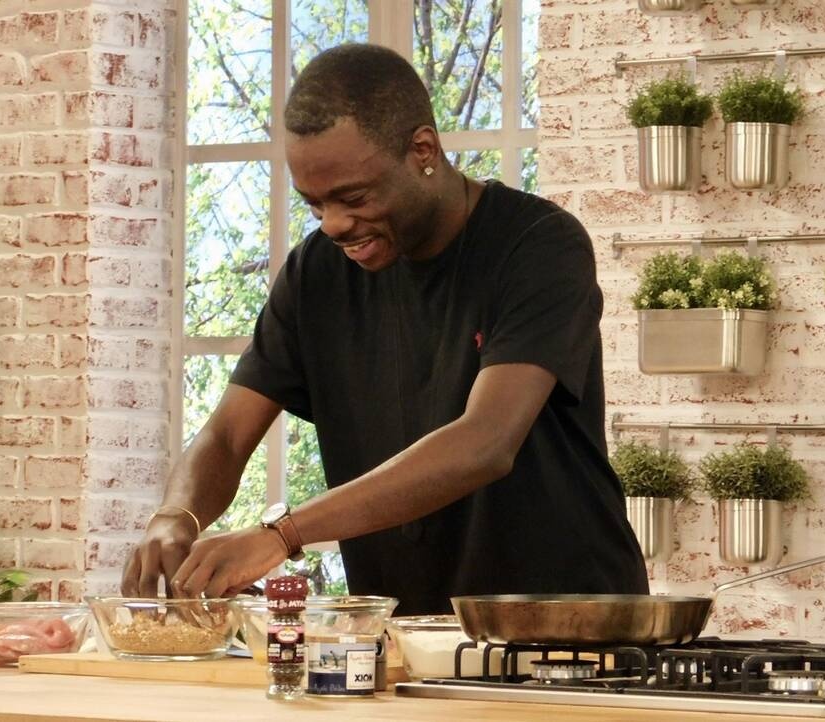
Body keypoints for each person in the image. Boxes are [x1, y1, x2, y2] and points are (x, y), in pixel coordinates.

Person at [121, 43, 649, 615]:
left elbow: (486, 442)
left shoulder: (538, 245)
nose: (334, 224)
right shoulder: (315, 274)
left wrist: (283, 533)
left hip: (564, 621)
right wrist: (176, 515)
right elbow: (227, 435)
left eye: (353, 198)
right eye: (314, 204)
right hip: (403, 626)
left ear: (423, 150)